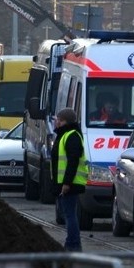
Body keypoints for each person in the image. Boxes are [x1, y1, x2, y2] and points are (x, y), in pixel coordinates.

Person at [51, 108, 87, 252]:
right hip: (65, 182)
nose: (56, 122)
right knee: (68, 213)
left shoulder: (71, 136)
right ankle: (72, 243)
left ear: (63, 121)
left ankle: (73, 244)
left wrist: (66, 183)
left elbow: (73, 161)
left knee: (70, 214)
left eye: (58, 119)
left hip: (69, 183)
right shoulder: (65, 134)